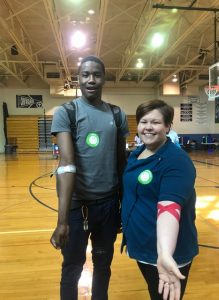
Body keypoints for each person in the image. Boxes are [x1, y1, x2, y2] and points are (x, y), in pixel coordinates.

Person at [50, 55, 129, 300]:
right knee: (72, 268)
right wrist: (62, 220)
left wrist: (123, 210)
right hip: (77, 208)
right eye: (85, 74)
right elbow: (66, 165)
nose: (91, 79)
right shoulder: (66, 113)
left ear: (104, 78)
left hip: (108, 207)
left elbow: (121, 164)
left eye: (96, 74)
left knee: (103, 265)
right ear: (78, 79)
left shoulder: (117, 115)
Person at [121, 99, 198, 300]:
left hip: (167, 254)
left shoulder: (177, 161)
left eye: (155, 122)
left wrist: (164, 251)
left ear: (168, 126)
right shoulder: (137, 154)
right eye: (143, 121)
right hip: (142, 246)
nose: (148, 127)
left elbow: (169, 208)